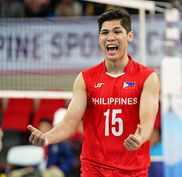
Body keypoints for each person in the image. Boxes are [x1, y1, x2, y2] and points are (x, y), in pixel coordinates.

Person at [28, 8, 160, 177]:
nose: (110, 37)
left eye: (117, 31)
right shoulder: (85, 78)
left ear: (130, 36)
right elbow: (69, 123)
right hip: (94, 169)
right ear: (99, 39)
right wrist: (47, 138)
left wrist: (140, 138)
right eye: (104, 32)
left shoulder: (147, 78)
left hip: (132, 170)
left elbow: (147, 124)